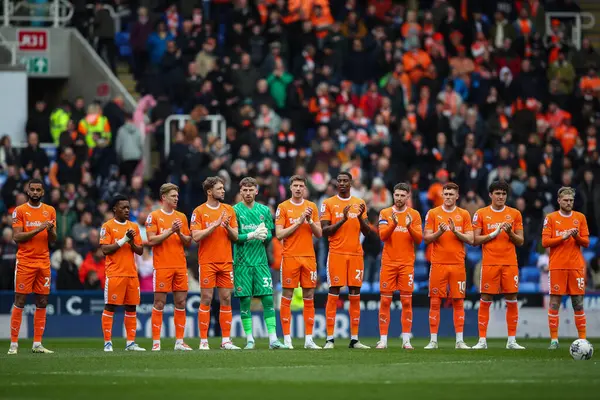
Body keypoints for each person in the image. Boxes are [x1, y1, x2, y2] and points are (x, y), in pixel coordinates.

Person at [472, 181, 526, 350]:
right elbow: (475, 240)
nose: (501, 196)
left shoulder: (515, 214)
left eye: (503, 194)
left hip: (509, 263)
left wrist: (509, 232)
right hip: (489, 263)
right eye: (497, 193)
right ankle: (482, 340)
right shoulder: (481, 213)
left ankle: (511, 340)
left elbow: (521, 241)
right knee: (486, 299)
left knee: (511, 300)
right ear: (490, 195)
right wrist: (493, 234)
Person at [233, 177, 286, 350]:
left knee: (268, 299)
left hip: (261, 262)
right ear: (240, 191)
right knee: (245, 301)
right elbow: (233, 237)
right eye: (244, 190)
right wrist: (252, 234)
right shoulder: (234, 211)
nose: (248, 193)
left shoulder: (264, 210)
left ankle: (273, 339)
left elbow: (270, 236)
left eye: (251, 190)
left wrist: (264, 235)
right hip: (242, 263)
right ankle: (250, 339)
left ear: (256, 191)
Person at [320, 172, 371, 349]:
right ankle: (329, 339)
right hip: (336, 253)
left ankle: (355, 339)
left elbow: (367, 232)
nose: (342, 183)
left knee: (355, 293)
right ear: (336, 183)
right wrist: (342, 219)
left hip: (356, 254)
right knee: (334, 291)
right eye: (339, 180)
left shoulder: (360, 203)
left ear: (351, 183)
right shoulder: (328, 203)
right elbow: (324, 231)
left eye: (345, 181)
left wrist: (360, 218)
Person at [190, 177, 240, 350]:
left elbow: (235, 237)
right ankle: (203, 340)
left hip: (226, 261)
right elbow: (195, 236)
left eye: (223, 188)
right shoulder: (199, 211)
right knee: (206, 298)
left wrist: (226, 227)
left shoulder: (229, 210)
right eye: (219, 188)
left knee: (226, 298)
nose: (223, 191)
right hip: (207, 261)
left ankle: (226, 340)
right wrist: (215, 225)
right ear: (209, 192)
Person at [8, 179, 56, 355]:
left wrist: (50, 230)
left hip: (43, 262)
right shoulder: (19, 211)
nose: (35, 192)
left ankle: (37, 344)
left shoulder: (50, 210)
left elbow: (53, 239)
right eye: (32, 189)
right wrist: (40, 229)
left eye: (38, 190)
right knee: (20, 301)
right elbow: (17, 237)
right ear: (28, 192)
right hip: (25, 262)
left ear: (42, 192)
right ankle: (13, 344)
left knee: (42, 301)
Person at [423, 182, 473, 350]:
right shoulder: (433, 213)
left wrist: (455, 231)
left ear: (457, 196)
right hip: (438, 264)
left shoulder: (464, 214)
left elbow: (471, 239)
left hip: (458, 264)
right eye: (446, 194)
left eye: (452, 194)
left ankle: (459, 340)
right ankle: (433, 340)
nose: (449, 197)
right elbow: (427, 238)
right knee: (435, 302)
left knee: (458, 301)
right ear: (442, 195)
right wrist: (440, 232)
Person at [275, 175, 323, 350]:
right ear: (290, 188)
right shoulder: (283, 207)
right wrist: (300, 221)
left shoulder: (311, 207)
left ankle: (309, 339)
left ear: (305, 188)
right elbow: (279, 234)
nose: (298, 188)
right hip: (290, 257)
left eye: (301, 186)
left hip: (308, 257)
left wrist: (309, 220)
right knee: (287, 296)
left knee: (309, 297)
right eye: (295, 185)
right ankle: (287, 339)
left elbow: (319, 234)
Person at [146, 183, 193, 351]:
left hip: (180, 265)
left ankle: (179, 342)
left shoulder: (181, 216)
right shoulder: (154, 216)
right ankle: (156, 343)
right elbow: (151, 240)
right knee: (159, 303)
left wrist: (179, 232)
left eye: (177, 196)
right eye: (173, 196)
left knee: (180, 302)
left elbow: (188, 241)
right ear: (164, 197)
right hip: (162, 266)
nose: (176, 198)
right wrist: (170, 231)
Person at [542, 187, 590, 350]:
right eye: (566, 200)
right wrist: (562, 236)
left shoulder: (580, 218)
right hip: (557, 266)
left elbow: (586, 242)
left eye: (571, 200)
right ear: (559, 200)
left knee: (578, 304)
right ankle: (554, 340)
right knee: (555, 303)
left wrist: (576, 236)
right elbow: (545, 242)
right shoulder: (551, 218)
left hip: (575, 266)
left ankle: (582, 340)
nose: (569, 203)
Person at [377, 183, 423, 350]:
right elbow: (382, 236)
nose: (399, 198)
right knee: (385, 301)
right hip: (389, 263)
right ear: (393, 195)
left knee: (406, 302)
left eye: (402, 195)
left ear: (408, 197)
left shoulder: (414, 215)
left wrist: (409, 226)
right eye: (396, 195)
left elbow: (419, 239)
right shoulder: (385, 213)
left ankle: (406, 340)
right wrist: (393, 225)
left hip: (406, 264)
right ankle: (383, 340)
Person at [99, 194, 145, 352]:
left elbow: (140, 251)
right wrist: (123, 240)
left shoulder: (134, 226)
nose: (127, 210)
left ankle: (130, 343)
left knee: (131, 308)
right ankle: (107, 342)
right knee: (110, 306)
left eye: (128, 207)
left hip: (131, 274)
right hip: (115, 274)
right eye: (123, 207)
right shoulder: (108, 226)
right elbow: (105, 249)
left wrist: (131, 242)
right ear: (115, 209)